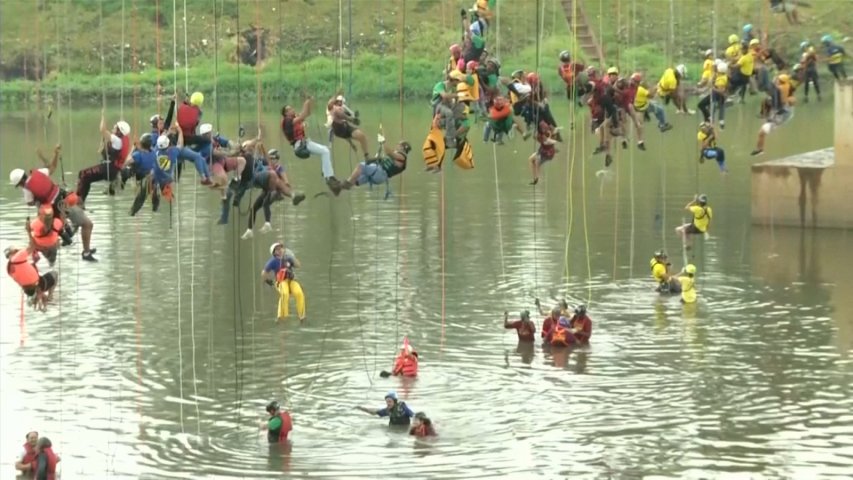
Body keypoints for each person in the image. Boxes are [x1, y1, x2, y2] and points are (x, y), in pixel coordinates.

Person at [281, 97, 342, 195]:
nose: (292, 109)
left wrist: (309, 104)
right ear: (286, 113)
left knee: (325, 151)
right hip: (300, 145)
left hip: (304, 143)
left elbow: (307, 114)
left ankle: (327, 174)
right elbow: (303, 115)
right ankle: (328, 176)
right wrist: (306, 102)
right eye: (289, 109)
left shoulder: (294, 118)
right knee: (325, 151)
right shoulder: (287, 121)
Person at [242, 149, 306, 239]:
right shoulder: (267, 166)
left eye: (274, 159)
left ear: (277, 159)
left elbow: (284, 178)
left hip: (275, 190)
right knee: (254, 208)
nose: (272, 161)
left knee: (265, 203)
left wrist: (286, 183)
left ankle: (267, 223)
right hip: (266, 190)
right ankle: (249, 230)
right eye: (270, 159)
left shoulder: (279, 168)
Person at [76, 111, 131, 203]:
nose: (113, 127)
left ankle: (79, 200)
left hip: (109, 169)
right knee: (86, 177)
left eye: (115, 127)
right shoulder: (123, 139)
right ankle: (80, 200)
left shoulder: (117, 140)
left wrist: (103, 116)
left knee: (83, 174)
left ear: (119, 131)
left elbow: (102, 130)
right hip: (113, 169)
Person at [340, 135, 410, 191]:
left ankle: (347, 183)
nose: (397, 146)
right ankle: (339, 188)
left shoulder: (402, 157)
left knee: (360, 166)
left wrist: (383, 141)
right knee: (356, 180)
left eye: (399, 145)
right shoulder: (398, 155)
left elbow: (388, 152)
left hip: (380, 172)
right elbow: (383, 156)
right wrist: (380, 146)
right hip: (380, 176)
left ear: (402, 148)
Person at [751, 73, 796, 157]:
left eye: (779, 82)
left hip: (781, 117)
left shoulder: (789, 95)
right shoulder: (778, 90)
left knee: (762, 132)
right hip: (776, 115)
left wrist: (786, 101)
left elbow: (789, 102)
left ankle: (760, 150)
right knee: (761, 132)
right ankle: (760, 149)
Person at [262, 242, 305, 322]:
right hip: (281, 282)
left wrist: (293, 257)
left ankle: (302, 316)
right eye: (277, 249)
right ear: (274, 252)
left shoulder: (288, 258)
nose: (280, 250)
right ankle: (282, 316)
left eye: (280, 248)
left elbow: (298, 265)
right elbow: (264, 272)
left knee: (299, 293)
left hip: (291, 280)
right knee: (285, 294)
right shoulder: (273, 261)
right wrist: (267, 280)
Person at [326, 94, 369, 159]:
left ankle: (367, 156)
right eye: (338, 102)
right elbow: (339, 114)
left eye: (341, 102)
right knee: (340, 115)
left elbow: (345, 135)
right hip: (338, 128)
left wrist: (352, 144)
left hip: (344, 127)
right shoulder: (333, 109)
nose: (340, 103)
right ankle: (352, 118)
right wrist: (351, 119)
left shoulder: (341, 107)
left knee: (362, 136)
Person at [61, 192, 97, 261]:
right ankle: (86, 253)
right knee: (87, 224)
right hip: (67, 202)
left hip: (69, 200)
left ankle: (86, 250)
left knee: (85, 224)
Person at [697, 61, 728, 128]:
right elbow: (710, 83)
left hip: (716, 96)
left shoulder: (722, 78)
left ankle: (709, 120)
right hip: (714, 95)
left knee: (702, 105)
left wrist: (712, 87)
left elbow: (721, 91)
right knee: (704, 106)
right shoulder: (719, 75)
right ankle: (708, 120)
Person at [528, 120, 558, 186]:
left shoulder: (550, 132)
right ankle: (535, 177)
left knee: (537, 162)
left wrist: (551, 138)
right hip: (542, 151)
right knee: (531, 159)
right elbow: (542, 140)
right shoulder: (541, 136)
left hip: (548, 154)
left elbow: (551, 141)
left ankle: (537, 178)